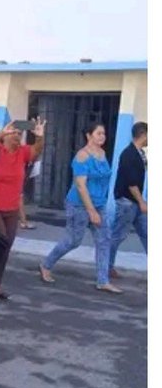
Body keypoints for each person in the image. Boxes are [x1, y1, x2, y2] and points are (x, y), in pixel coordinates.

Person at [40, 117, 119, 292]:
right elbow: (81, 186)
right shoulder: (82, 156)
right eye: (98, 133)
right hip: (79, 205)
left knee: (104, 240)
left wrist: (99, 206)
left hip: (100, 204)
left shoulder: (102, 154)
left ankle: (103, 280)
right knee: (73, 241)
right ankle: (46, 264)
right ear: (88, 135)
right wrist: (91, 211)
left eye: (103, 133)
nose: (102, 137)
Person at [0, 118, 46, 301]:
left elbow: (36, 150)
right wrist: (0, 134)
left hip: (12, 208)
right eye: (14, 133)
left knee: (6, 247)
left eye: (20, 134)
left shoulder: (22, 153)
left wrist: (39, 137)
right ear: (6, 135)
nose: (17, 136)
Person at [109, 121, 148, 277]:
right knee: (118, 236)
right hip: (127, 202)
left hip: (135, 202)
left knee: (147, 234)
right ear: (143, 135)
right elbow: (131, 183)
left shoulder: (140, 153)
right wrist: (142, 202)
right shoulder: (128, 154)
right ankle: (106, 266)